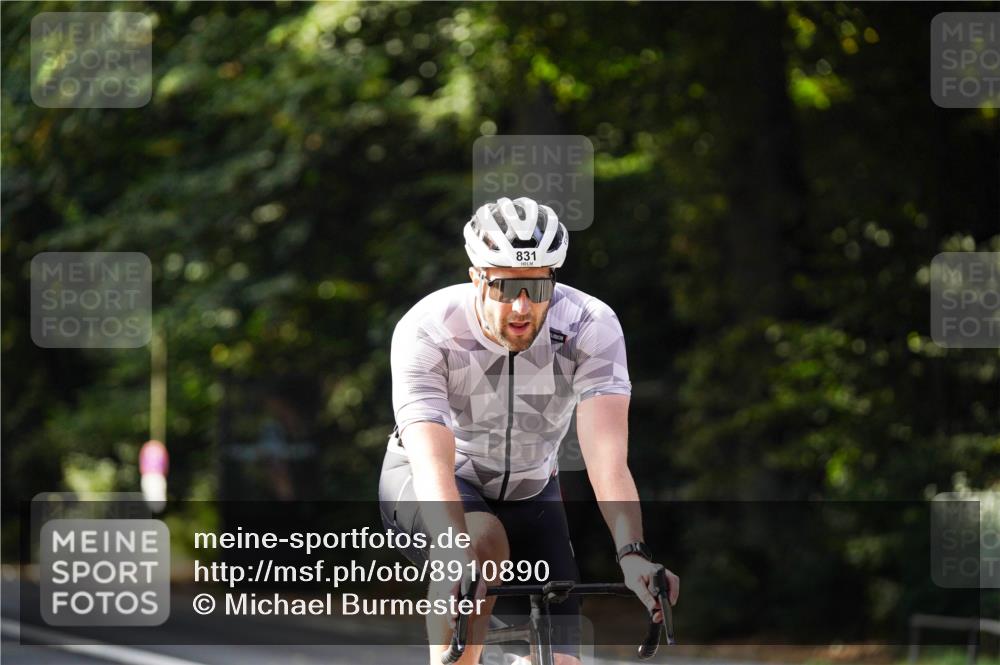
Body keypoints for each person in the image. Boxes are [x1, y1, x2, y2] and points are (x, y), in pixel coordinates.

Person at [379, 196, 679, 665]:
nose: (521, 307)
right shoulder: (428, 328)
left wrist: (632, 552)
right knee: (479, 542)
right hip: (435, 481)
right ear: (477, 277)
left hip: (532, 489)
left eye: (537, 289)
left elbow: (607, 460)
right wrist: (455, 550)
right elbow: (431, 461)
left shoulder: (589, 326)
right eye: (504, 288)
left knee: (561, 660)